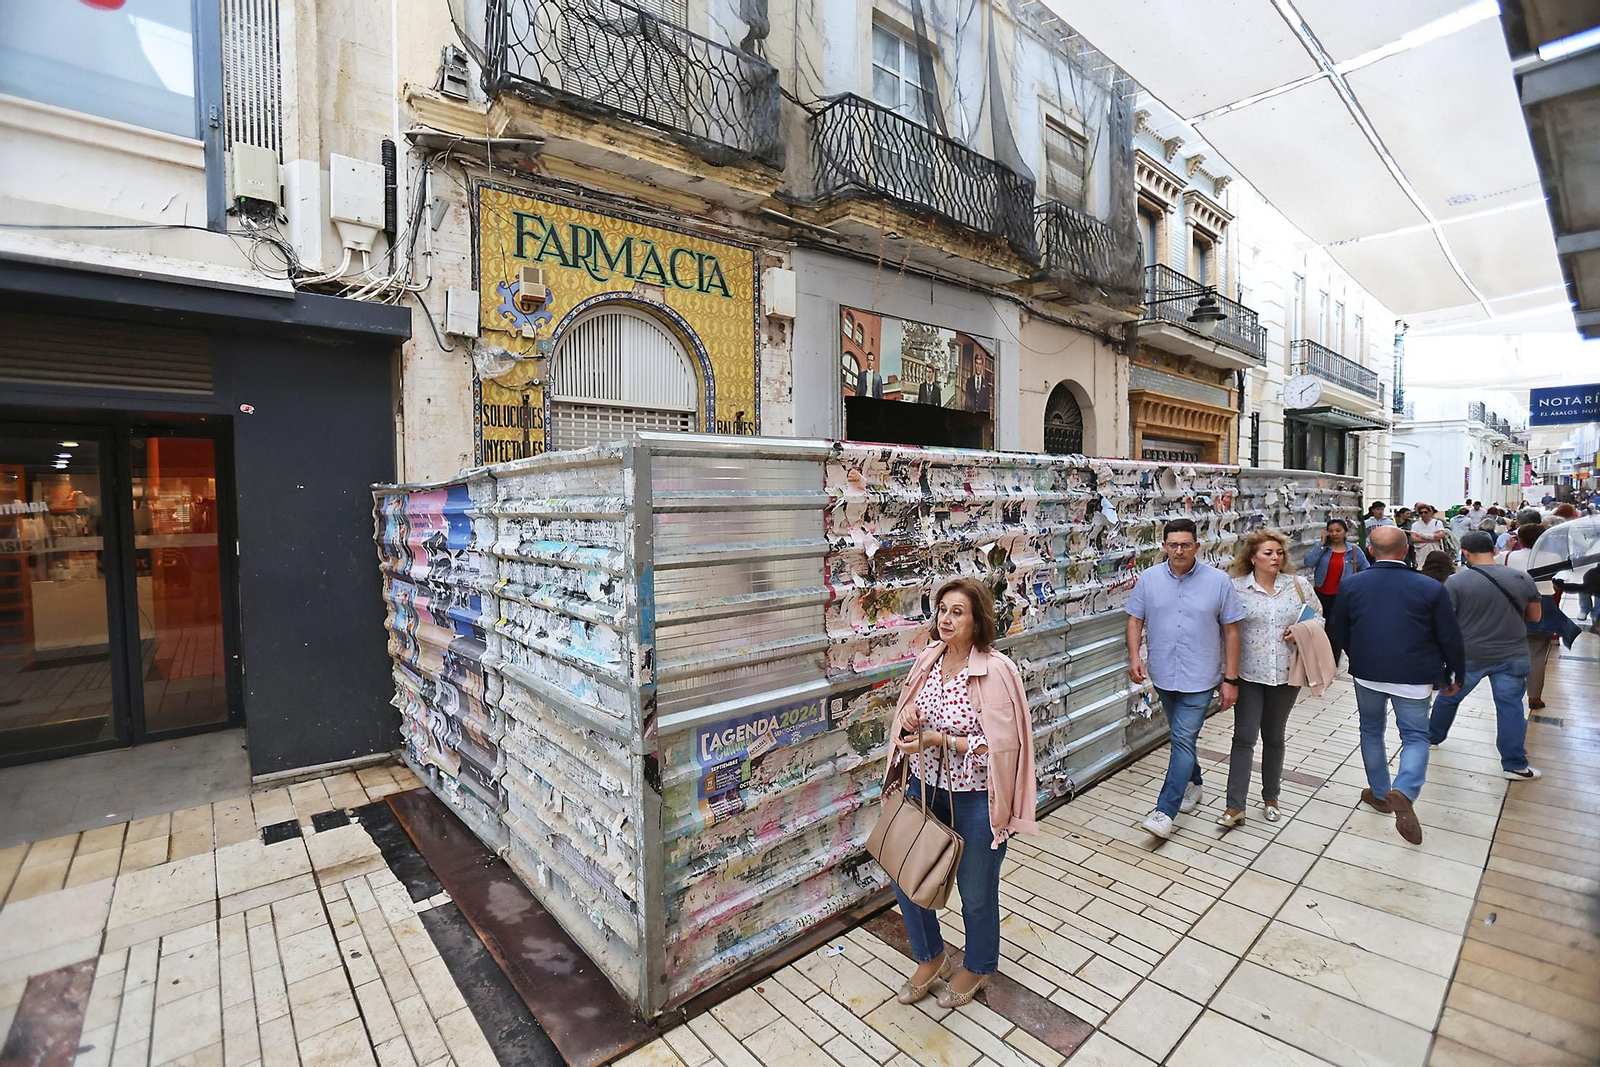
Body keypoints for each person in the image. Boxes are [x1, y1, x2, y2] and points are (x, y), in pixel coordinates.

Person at [883, 577, 1037, 1008]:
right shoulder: (930, 659)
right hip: (923, 789)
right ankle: (931, 957)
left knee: (976, 891)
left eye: (957, 612)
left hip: (974, 799)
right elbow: (911, 714)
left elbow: (1001, 746)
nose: (946, 620)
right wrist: (912, 722)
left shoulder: (997, 670)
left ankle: (979, 964)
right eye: (942, 610)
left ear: (977, 620)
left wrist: (941, 741)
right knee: (905, 876)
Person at [1330, 526, 1465, 845]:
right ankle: (1403, 790)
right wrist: (1456, 673)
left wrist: (1356, 655)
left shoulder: (1352, 584)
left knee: (1371, 730)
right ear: (1406, 550)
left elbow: (1340, 628)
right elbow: (1449, 636)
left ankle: (1379, 793)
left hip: (1368, 673)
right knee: (1416, 736)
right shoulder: (1430, 588)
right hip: (1415, 674)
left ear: (1371, 551)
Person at [1126, 518, 1245, 840]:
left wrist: (1230, 679)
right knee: (1184, 739)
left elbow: (1232, 631)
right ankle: (1195, 783)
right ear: (1164, 546)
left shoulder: (1218, 581)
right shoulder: (1149, 580)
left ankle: (1165, 811)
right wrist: (1135, 657)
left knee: (1180, 739)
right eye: (1173, 544)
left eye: (1186, 544)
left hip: (1201, 676)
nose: (1179, 550)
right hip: (1164, 673)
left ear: (1197, 546)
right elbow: (1135, 620)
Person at [1221, 529, 1323, 827]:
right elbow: (1224, 629)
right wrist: (1224, 674)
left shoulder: (1297, 585)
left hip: (1285, 673)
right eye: (1268, 553)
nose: (1275, 558)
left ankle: (1271, 797)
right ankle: (1234, 806)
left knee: (1274, 736)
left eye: (1279, 553)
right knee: (1244, 737)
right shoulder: (1236, 588)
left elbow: (1318, 616)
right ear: (1252, 557)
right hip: (1249, 673)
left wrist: (1301, 630)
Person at [1426, 532, 1543, 781]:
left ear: (1465, 553)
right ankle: (1514, 764)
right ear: (1493, 549)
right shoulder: (1522, 578)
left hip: (1469, 653)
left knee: (1449, 697)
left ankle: (1431, 737)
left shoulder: (1456, 582)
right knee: (1510, 708)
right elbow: (1535, 617)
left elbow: (1447, 621)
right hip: (1513, 653)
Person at [1305, 519, 1367, 664]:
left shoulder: (1353, 550)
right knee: (1318, 627)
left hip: (1341, 596)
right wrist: (1320, 545)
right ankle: (1317, 660)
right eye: (1331, 531)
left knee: (1335, 629)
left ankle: (1332, 661)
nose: (1334, 534)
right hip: (1320, 593)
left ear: (1345, 532)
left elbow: (1365, 569)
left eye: (1338, 530)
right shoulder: (1323, 549)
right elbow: (1308, 562)